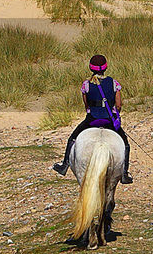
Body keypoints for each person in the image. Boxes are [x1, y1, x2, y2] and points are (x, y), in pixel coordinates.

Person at [52, 54, 133, 184]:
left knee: (72, 138)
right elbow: (118, 105)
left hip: (92, 119)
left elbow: (86, 105)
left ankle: (64, 165)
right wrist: (115, 115)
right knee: (125, 143)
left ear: (91, 68)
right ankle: (124, 173)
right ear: (105, 67)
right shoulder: (114, 83)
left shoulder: (86, 85)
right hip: (109, 120)